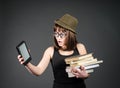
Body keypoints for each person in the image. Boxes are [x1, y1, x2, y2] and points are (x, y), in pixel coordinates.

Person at [17, 14, 89, 88]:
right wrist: (27, 63)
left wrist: (85, 75)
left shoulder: (80, 47)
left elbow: (87, 72)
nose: (58, 37)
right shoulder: (50, 51)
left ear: (70, 35)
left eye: (61, 34)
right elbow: (38, 71)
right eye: (56, 33)